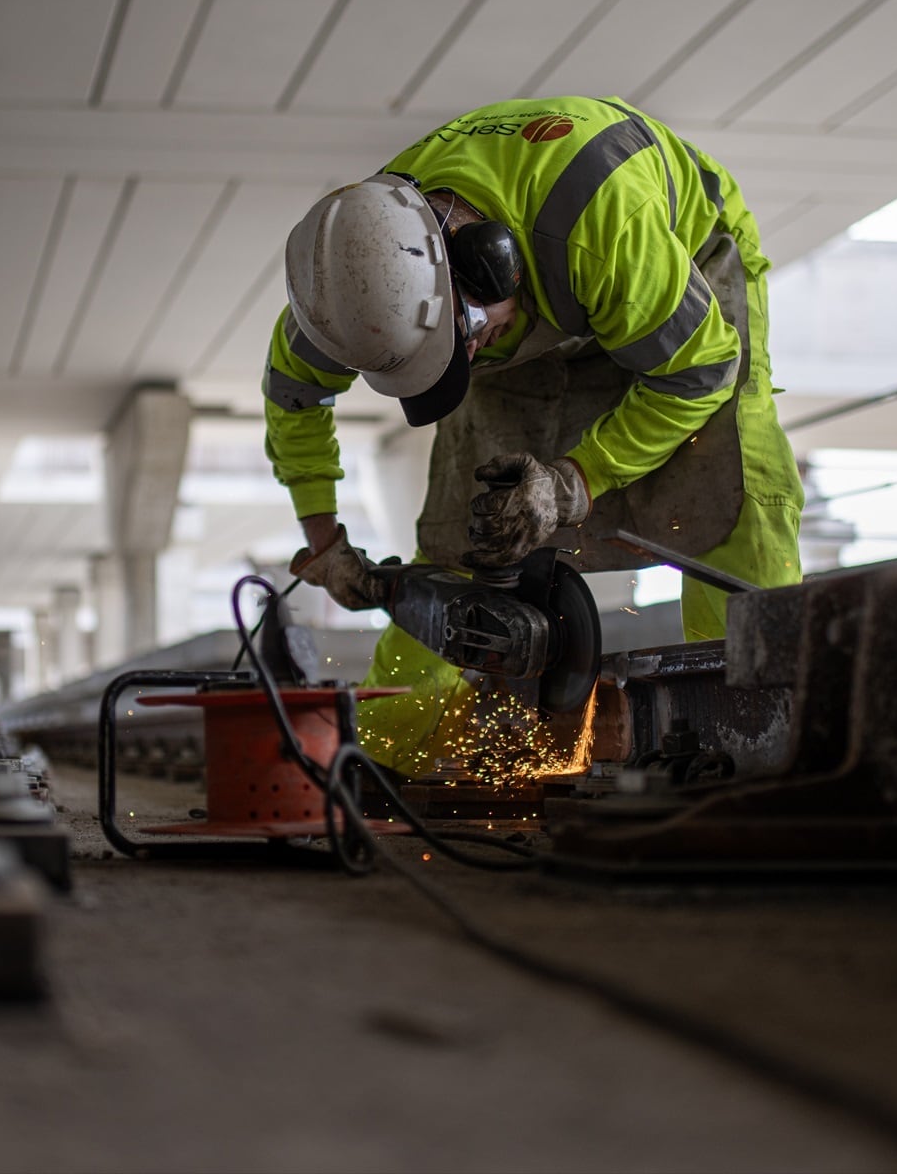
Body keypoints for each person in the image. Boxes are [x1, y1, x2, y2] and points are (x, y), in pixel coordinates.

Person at [262, 96, 803, 774]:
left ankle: (754, 738)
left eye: (470, 340)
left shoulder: (605, 228)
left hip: (680, 275)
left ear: (487, 262)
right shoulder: (358, 290)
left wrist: (573, 483)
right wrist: (325, 543)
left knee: (729, 496)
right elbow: (293, 398)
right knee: (471, 531)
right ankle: (385, 760)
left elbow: (698, 374)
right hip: (547, 290)